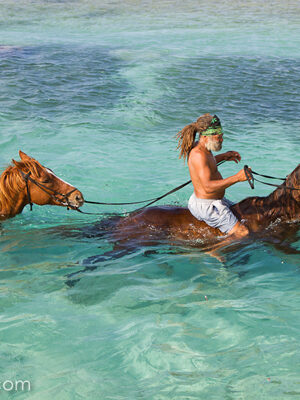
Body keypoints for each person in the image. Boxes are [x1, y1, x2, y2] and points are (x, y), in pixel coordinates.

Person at [177, 113, 249, 238]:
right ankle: (213, 249)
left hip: (213, 200)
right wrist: (237, 178)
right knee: (242, 233)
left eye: (222, 136)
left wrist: (224, 156)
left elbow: (207, 165)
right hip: (208, 206)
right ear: (205, 136)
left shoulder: (203, 148)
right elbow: (207, 187)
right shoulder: (199, 155)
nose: (222, 140)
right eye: (218, 137)